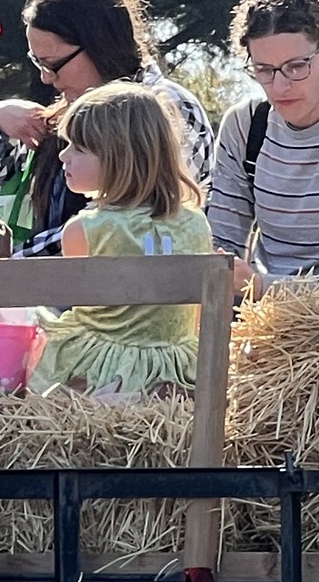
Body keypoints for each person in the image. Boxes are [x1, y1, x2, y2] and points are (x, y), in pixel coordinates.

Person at [0, 0, 213, 257]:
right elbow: (5, 204)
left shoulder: (168, 108)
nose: (45, 78)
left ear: (99, 45)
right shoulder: (68, 112)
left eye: (52, 64)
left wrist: (11, 263)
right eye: (37, 63)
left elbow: (133, 226)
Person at [27, 81, 213, 400]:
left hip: (104, 373)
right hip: (177, 372)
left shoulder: (85, 229)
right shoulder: (196, 223)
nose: (63, 156)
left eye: (78, 148)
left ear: (118, 157)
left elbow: (86, 310)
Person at [206, 0, 319, 288]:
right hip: (261, 321)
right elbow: (220, 251)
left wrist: (262, 287)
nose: (280, 86)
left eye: (296, 67)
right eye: (264, 70)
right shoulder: (246, 125)